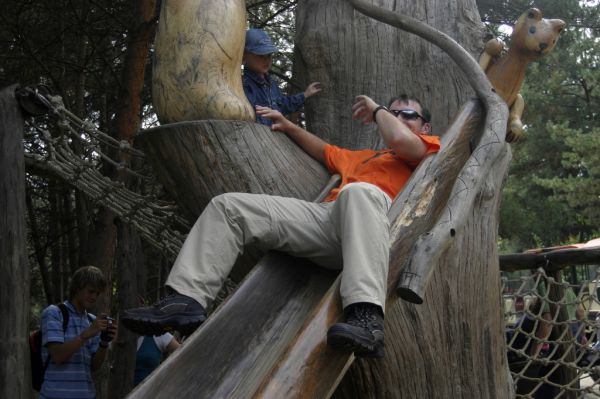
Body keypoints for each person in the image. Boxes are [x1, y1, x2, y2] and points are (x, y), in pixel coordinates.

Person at [121, 93, 439, 358]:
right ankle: (185, 299)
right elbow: (324, 150)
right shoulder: (364, 158)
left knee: (359, 192)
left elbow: (400, 139)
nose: (398, 118)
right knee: (229, 206)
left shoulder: (428, 150)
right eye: (393, 112)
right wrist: (289, 127)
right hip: (328, 224)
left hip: (374, 231)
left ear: (424, 125)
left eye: (407, 114)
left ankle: (367, 316)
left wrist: (379, 109)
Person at [40, 266, 117, 399]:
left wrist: (104, 342)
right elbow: (57, 356)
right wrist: (86, 334)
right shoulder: (55, 313)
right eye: (91, 291)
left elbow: (94, 366)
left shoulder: (92, 320)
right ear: (77, 288)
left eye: (97, 293)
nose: (94, 297)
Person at [242, 28, 322, 125]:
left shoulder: (271, 84)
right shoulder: (243, 86)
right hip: (259, 137)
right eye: (261, 55)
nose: (267, 60)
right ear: (244, 56)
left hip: (276, 137)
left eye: (269, 55)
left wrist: (305, 95)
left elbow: (283, 104)